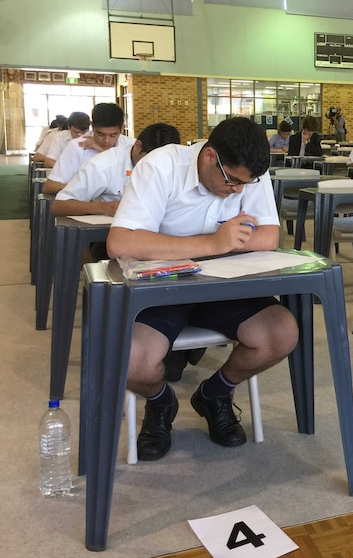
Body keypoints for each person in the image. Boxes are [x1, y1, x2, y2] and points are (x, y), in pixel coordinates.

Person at [105, 117, 299, 461]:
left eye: (246, 183)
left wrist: (204, 245)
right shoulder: (161, 166)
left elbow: (269, 236)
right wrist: (213, 242)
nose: (239, 191)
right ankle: (160, 401)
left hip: (222, 286)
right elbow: (121, 242)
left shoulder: (247, 171)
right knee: (131, 360)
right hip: (163, 288)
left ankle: (215, 393)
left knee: (282, 333)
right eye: (232, 181)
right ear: (210, 157)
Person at [52, 123, 180, 218]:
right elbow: (59, 205)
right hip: (112, 232)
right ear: (137, 147)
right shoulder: (102, 165)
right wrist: (105, 208)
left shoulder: (177, 165)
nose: (156, 171)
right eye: (151, 164)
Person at [43, 103, 134, 194]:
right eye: (100, 134)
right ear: (92, 126)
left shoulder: (131, 146)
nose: (106, 141)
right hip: (88, 205)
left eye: (113, 135)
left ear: (122, 128)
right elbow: (50, 187)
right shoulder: (78, 147)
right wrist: (86, 188)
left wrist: (104, 151)